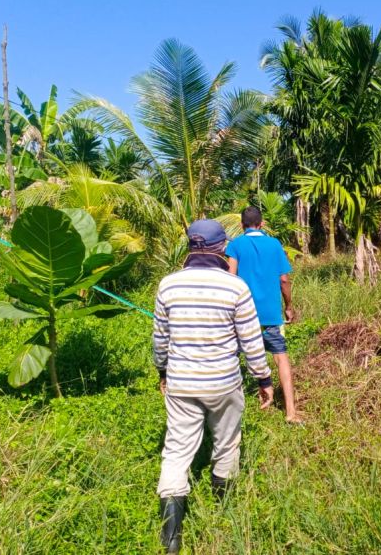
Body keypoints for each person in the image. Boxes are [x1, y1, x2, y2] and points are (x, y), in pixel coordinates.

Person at [152, 219, 274, 554]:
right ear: (222, 247)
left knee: (176, 452)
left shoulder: (168, 285)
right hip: (223, 383)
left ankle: (171, 538)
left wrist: (162, 371)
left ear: (191, 245)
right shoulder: (235, 287)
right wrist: (263, 378)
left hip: (181, 382)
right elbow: (251, 341)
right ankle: (224, 512)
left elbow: (160, 339)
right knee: (226, 443)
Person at [226, 206, 301, 423]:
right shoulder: (274, 244)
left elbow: (231, 277)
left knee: (234, 357)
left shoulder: (236, 245)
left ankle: (234, 413)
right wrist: (288, 306)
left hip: (243, 314)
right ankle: (290, 412)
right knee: (281, 358)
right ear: (262, 223)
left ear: (242, 225)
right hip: (270, 314)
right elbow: (284, 280)